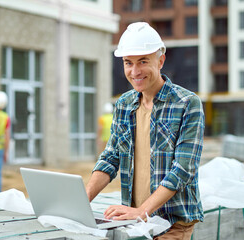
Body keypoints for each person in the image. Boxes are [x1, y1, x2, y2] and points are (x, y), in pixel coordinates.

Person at [85, 22, 205, 239]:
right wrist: (82, 199)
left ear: (161, 61)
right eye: (128, 63)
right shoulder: (124, 104)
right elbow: (111, 157)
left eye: (143, 61)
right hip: (133, 221)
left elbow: (183, 169)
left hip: (171, 224)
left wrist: (143, 210)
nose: (134, 71)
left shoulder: (187, 103)